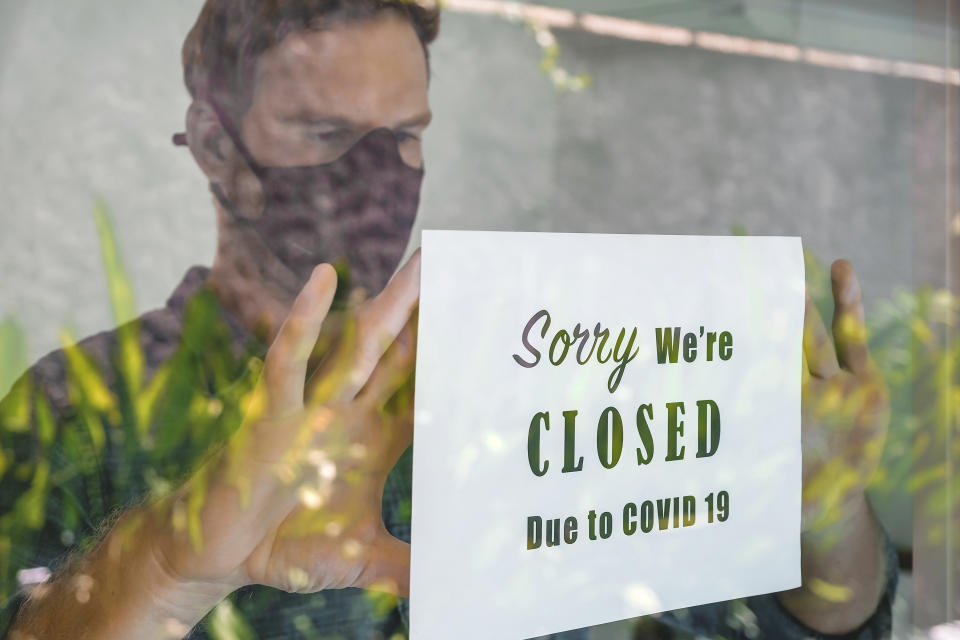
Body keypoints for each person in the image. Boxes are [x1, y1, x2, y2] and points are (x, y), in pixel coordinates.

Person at [0, 1, 896, 638]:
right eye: (324, 134)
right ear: (212, 145)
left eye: (406, 136)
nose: (382, 173)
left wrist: (819, 513)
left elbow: (795, 621)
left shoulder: (529, 375)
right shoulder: (77, 411)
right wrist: (166, 564)